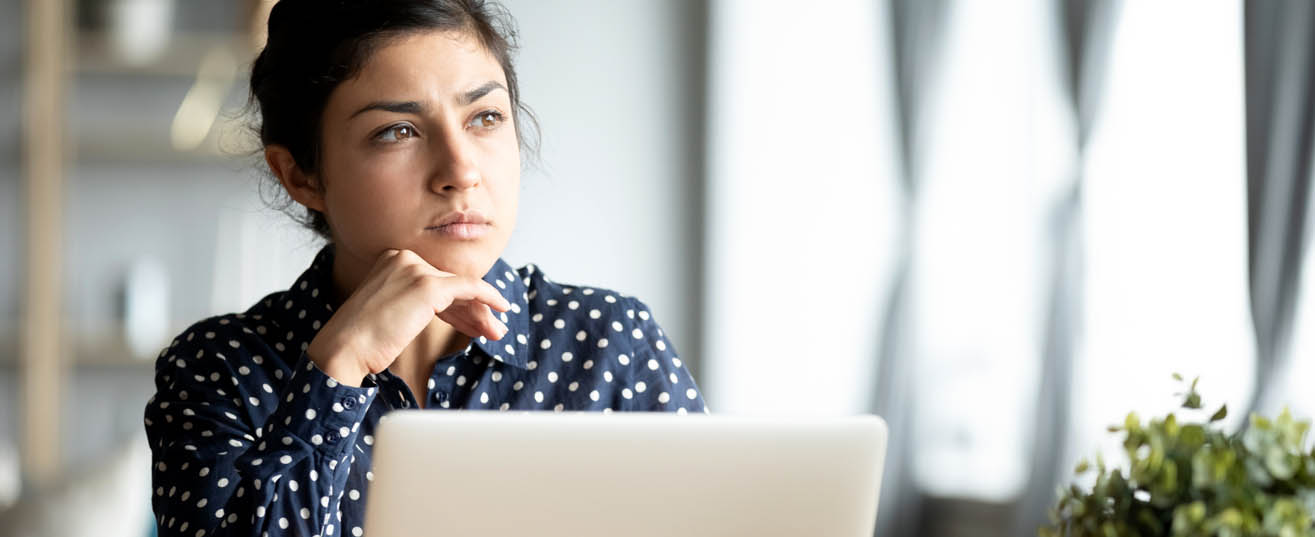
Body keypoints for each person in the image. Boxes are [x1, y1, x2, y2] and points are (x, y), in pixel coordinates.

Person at [143, 1, 707, 535]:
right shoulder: (218, 368)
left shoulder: (609, 344)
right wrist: (338, 367)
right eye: (398, 131)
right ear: (301, 176)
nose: (461, 171)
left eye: (485, 117)